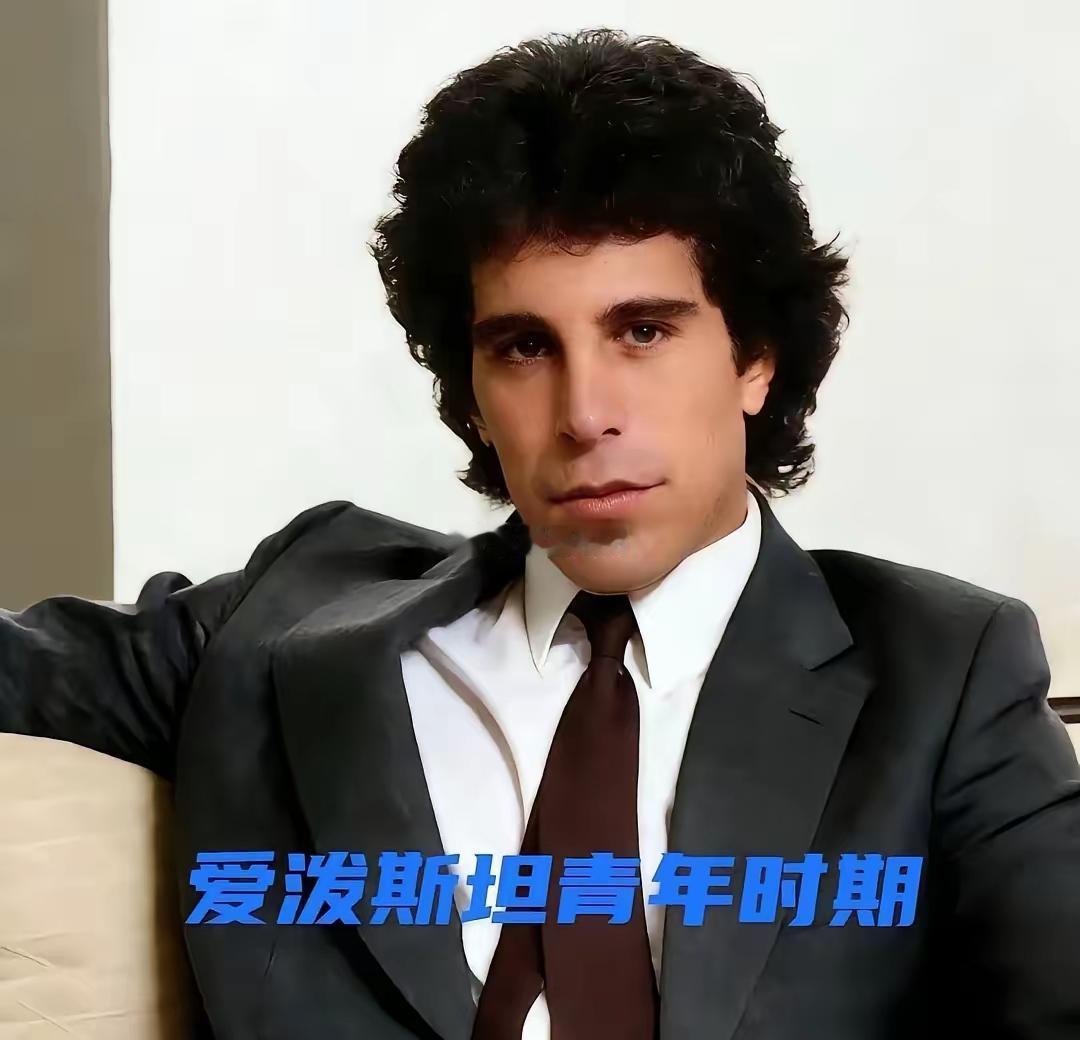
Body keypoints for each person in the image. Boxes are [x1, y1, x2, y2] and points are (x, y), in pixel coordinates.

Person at [2, 27, 1078, 1040]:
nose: (584, 413)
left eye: (643, 331)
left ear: (756, 357)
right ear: (470, 391)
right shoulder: (287, 619)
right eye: (523, 347)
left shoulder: (942, 674)